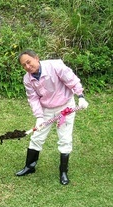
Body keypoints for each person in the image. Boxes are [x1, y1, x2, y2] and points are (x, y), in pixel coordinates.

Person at [16, 49, 89, 185]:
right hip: (46, 109)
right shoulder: (27, 79)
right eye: (23, 65)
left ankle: (63, 171)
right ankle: (29, 167)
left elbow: (72, 80)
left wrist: (80, 96)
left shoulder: (55, 66)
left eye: (28, 62)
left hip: (65, 106)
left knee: (65, 138)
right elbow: (33, 98)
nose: (27, 67)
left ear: (36, 58)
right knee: (37, 136)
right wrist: (39, 117)